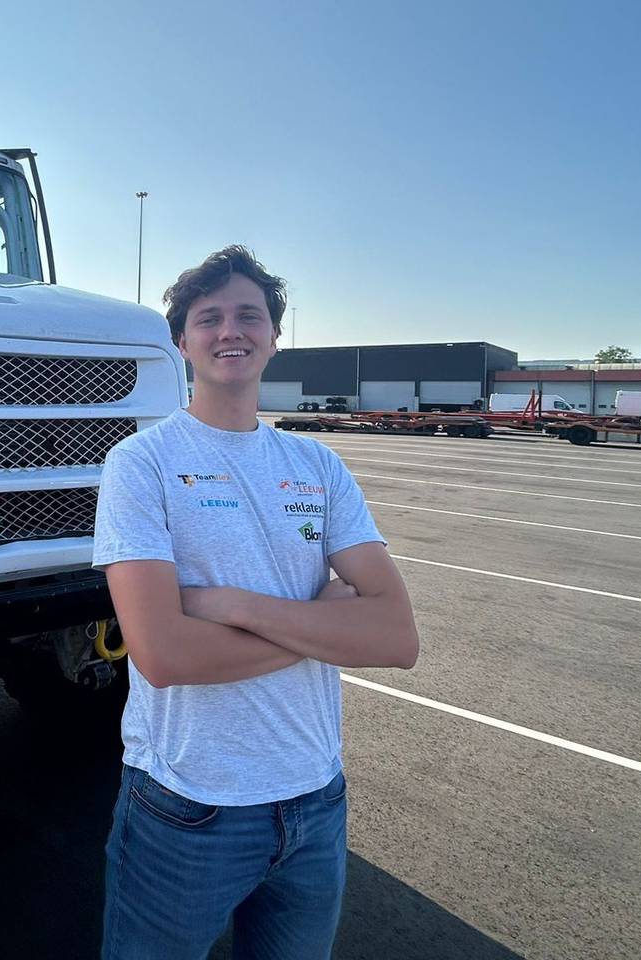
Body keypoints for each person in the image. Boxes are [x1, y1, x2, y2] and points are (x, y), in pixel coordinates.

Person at [94, 245, 419, 960]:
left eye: (248, 315)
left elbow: (396, 636)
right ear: (182, 342)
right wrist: (329, 622)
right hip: (188, 807)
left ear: (275, 334)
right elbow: (165, 656)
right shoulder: (140, 465)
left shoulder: (316, 464)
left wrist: (229, 603)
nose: (228, 330)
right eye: (208, 318)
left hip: (315, 800)